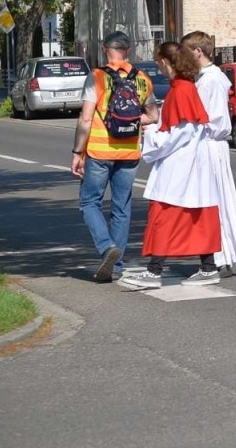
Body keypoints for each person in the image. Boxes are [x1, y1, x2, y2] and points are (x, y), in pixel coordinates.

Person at [120, 43, 220, 291]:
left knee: (163, 216)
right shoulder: (186, 88)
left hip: (180, 163)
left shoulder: (180, 91)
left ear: (166, 62)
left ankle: (154, 272)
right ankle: (208, 267)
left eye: (158, 63)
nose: (159, 68)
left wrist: (152, 134)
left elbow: (179, 132)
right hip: (191, 161)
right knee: (197, 216)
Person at [71, 30, 157, 283]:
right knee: (122, 208)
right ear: (128, 51)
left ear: (104, 48)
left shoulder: (96, 77)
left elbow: (86, 118)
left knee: (89, 203)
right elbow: (153, 116)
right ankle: (117, 267)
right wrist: (128, 121)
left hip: (99, 150)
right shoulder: (142, 79)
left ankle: (107, 247)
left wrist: (78, 152)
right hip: (130, 151)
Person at [182, 31, 236, 278]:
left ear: (198, 52)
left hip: (210, 144)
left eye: (187, 52)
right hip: (208, 143)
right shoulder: (205, 78)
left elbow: (214, 119)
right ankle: (220, 253)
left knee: (212, 200)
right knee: (215, 199)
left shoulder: (210, 79)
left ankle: (218, 256)